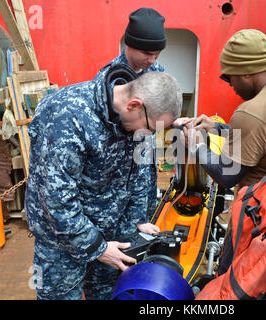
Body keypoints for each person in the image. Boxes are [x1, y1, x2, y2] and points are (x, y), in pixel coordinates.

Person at [25, 65, 182, 300]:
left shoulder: (136, 122)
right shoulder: (67, 114)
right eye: (150, 129)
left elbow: (136, 175)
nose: (150, 135)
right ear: (134, 105)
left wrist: (135, 222)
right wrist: (97, 247)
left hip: (111, 236)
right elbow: (56, 200)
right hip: (62, 244)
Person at [183, 29, 266, 190]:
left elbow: (226, 175)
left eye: (229, 78)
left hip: (256, 208)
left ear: (246, 72)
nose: (231, 85)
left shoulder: (250, 113)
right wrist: (216, 127)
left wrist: (197, 146)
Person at [103, 7, 167, 218]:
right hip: (119, 171)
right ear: (130, 45)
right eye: (147, 54)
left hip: (147, 161)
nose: (152, 60)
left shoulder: (156, 71)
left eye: (157, 55)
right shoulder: (110, 80)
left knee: (147, 217)